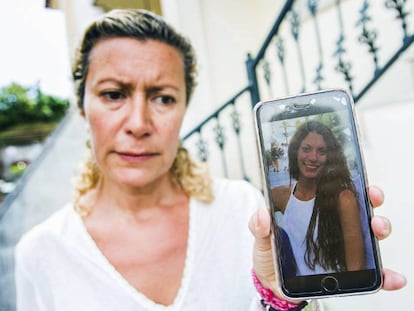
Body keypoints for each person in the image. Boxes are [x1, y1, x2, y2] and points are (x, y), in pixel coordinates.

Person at [14, 9, 405, 311]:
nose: (138, 123)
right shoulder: (41, 253)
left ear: (184, 107)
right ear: (82, 107)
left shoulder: (243, 211)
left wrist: (278, 299)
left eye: (163, 97)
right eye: (113, 94)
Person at [272, 120, 367, 276]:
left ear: (330, 157)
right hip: (300, 292)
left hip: (339, 290)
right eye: (306, 149)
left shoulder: (343, 198)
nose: (313, 157)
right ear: (296, 151)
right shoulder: (280, 196)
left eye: (322, 151)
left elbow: (356, 269)